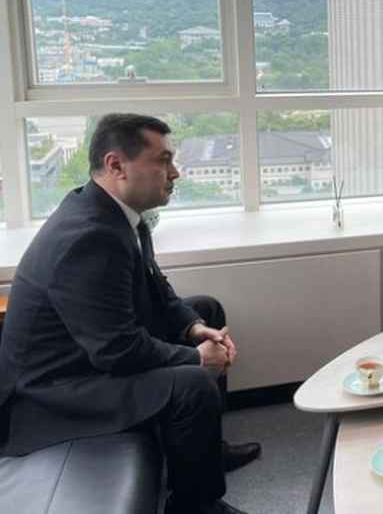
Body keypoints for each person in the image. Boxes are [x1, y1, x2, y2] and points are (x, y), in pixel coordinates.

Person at [0, 114, 261, 514]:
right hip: (56, 390)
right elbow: (116, 350)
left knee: (205, 309)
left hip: (88, 357)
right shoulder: (88, 237)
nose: (175, 173)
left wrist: (195, 328)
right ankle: (196, 506)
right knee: (193, 384)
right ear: (116, 165)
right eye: (163, 160)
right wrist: (196, 358)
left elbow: (158, 290)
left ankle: (207, 449)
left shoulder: (119, 214)